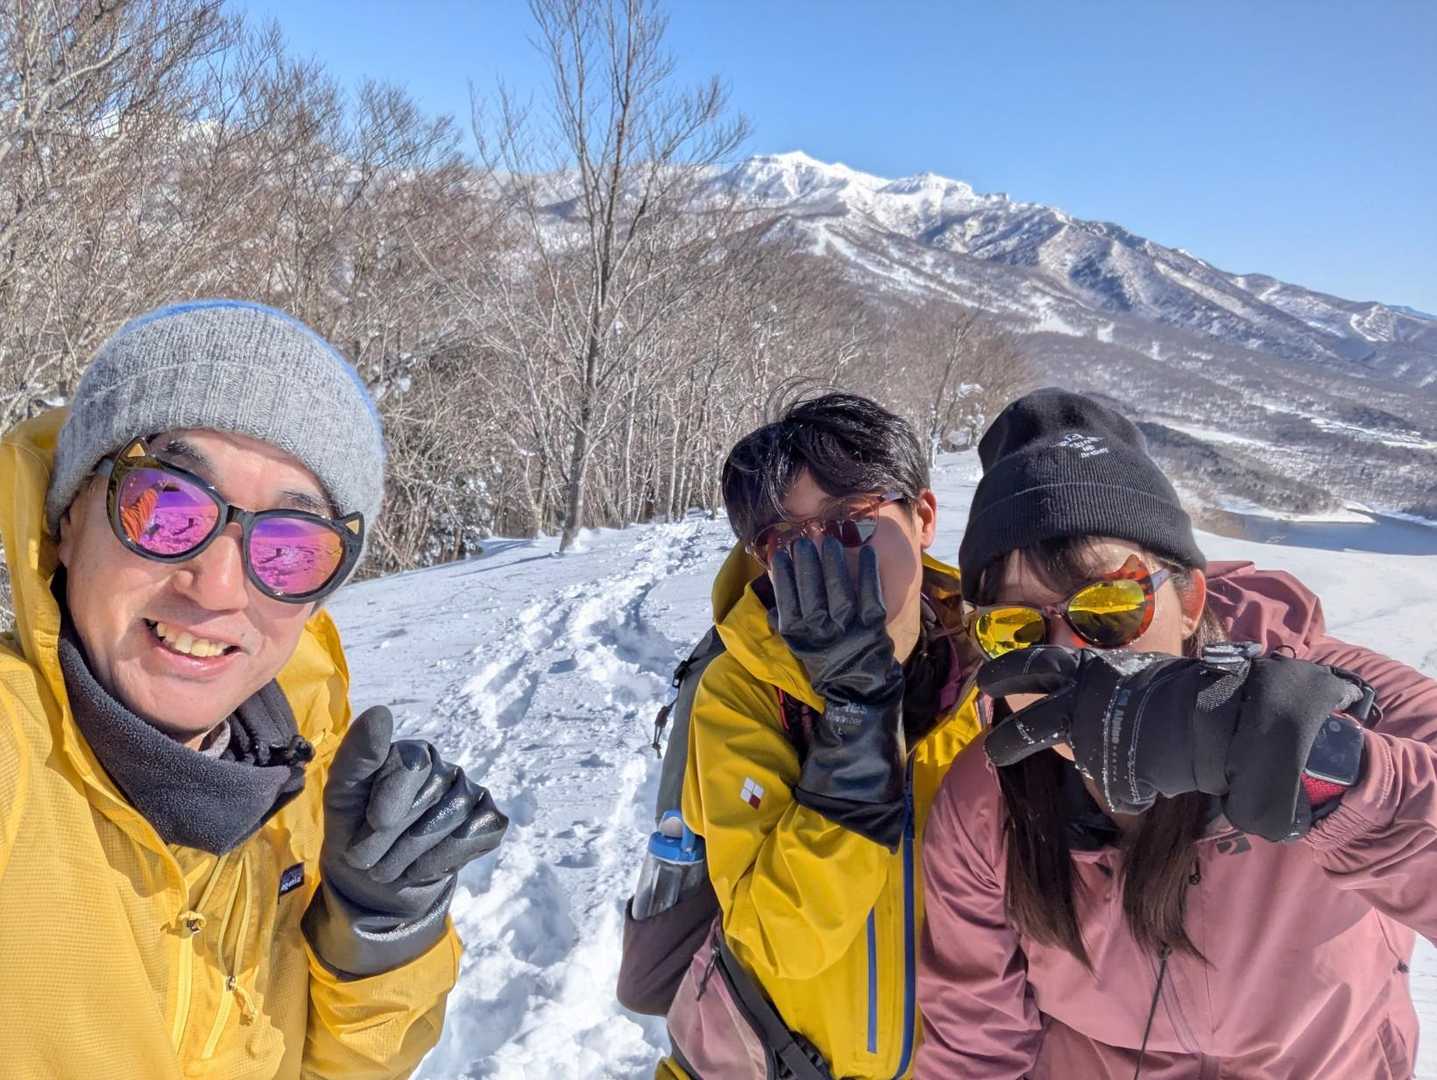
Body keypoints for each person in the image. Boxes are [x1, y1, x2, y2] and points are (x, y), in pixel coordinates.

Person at [0, 300, 507, 1078]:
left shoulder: (300, 793)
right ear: (68, 519)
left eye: (290, 546)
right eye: (164, 506)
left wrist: (373, 937)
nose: (217, 588)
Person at [916, 387, 1437, 1079]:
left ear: (1189, 599)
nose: (1068, 654)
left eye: (1107, 607)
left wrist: (1317, 769)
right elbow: (973, 1045)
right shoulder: (986, 802)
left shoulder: (1336, 698)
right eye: (1014, 629)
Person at [661, 393, 984, 1080]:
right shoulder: (743, 691)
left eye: (851, 525)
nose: (826, 563)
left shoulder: (1002, 673)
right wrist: (856, 725)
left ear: (923, 518)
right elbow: (780, 940)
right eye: (787, 544)